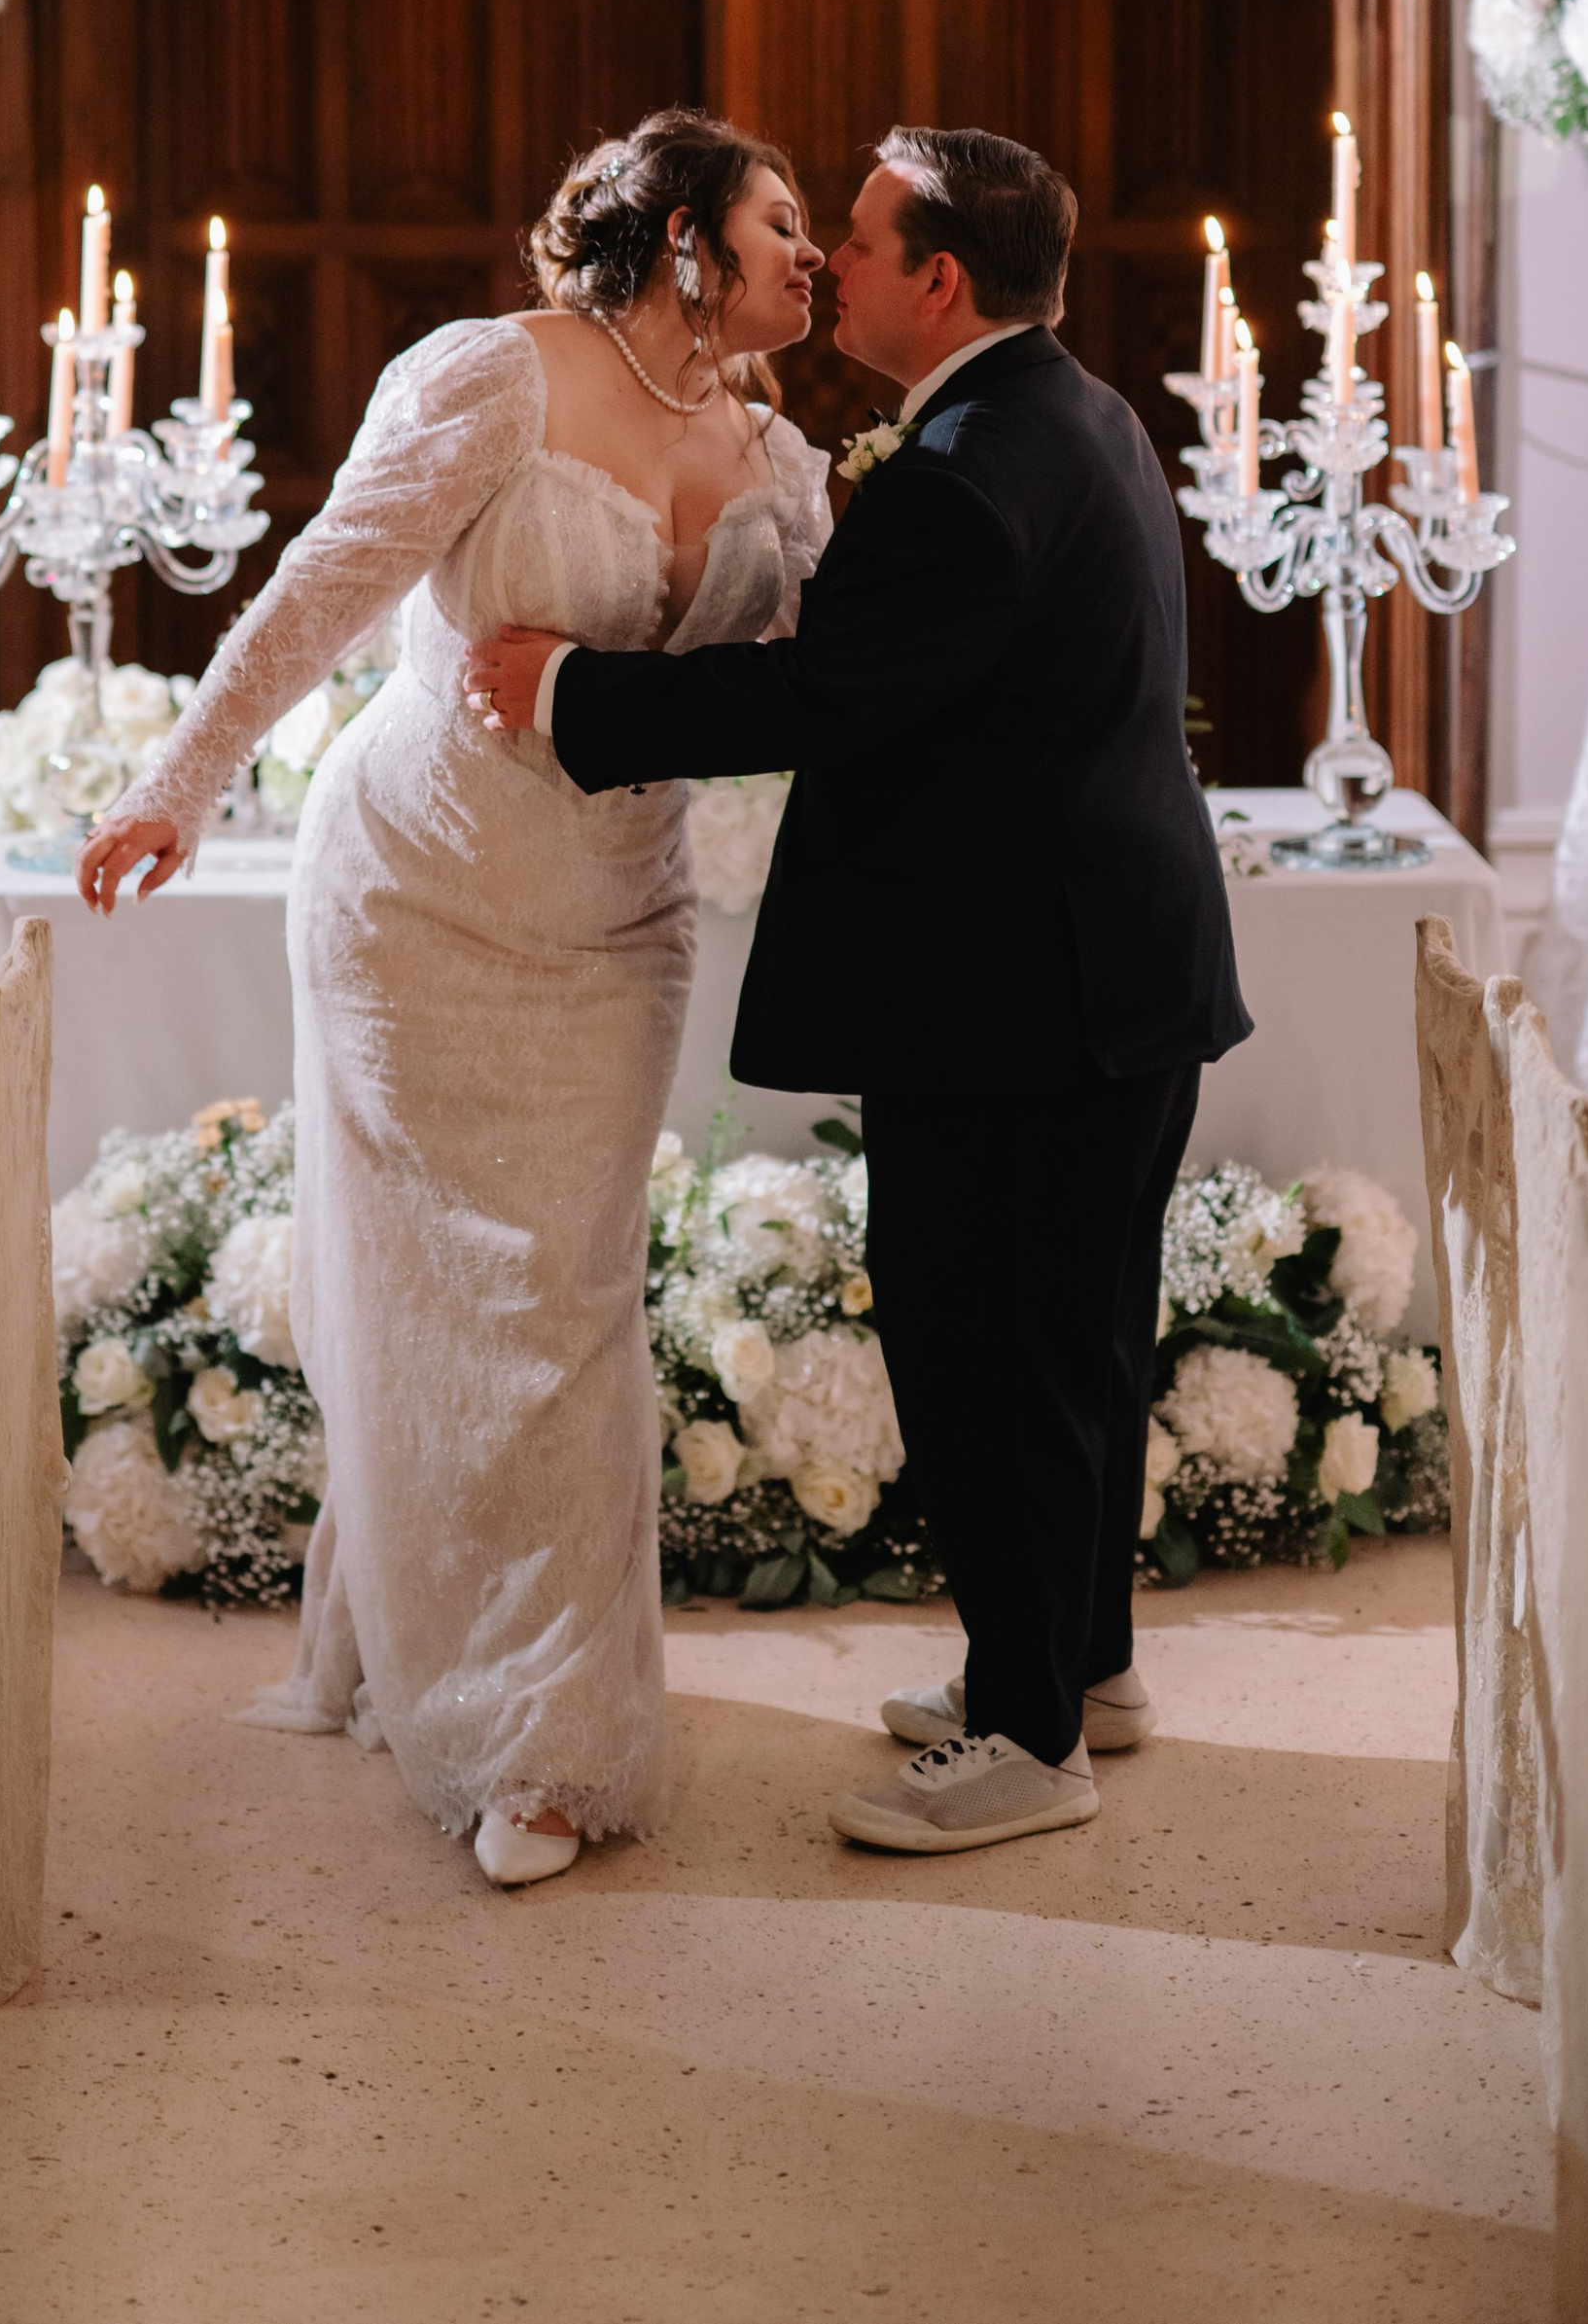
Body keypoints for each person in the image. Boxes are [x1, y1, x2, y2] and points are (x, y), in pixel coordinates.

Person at [466, 125, 1251, 1857]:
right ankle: (1080, 1666)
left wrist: (567, 694)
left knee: (993, 1354)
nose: (831, 268)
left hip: (1024, 1009)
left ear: (942, 280)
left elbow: (819, 701)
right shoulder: (1074, 412)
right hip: (1118, 977)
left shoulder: (965, 472)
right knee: (1084, 1343)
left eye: (868, 240)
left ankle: (1031, 1738)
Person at [74, 112, 829, 1886]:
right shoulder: (496, 377)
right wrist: (179, 781)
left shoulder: (785, 459)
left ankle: (520, 1686)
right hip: (412, 903)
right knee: (433, 1305)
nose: (814, 255)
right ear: (691, 241)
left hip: (615, 923)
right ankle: (527, 1747)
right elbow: (324, 583)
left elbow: (811, 694)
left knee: (564, 1302)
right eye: (786, 220)